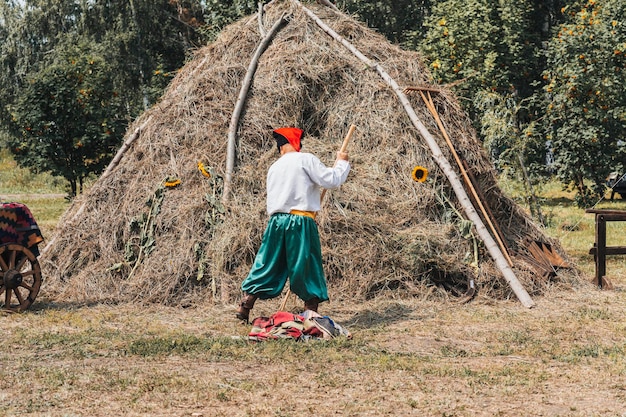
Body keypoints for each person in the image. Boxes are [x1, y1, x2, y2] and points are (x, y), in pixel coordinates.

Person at [236, 127, 351, 322]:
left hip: (276, 222)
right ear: (297, 143)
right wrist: (342, 162)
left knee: (268, 262)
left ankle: (246, 304)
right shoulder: (306, 159)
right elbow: (331, 180)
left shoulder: (274, 167)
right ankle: (311, 312)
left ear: (281, 147)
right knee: (307, 264)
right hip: (300, 221)